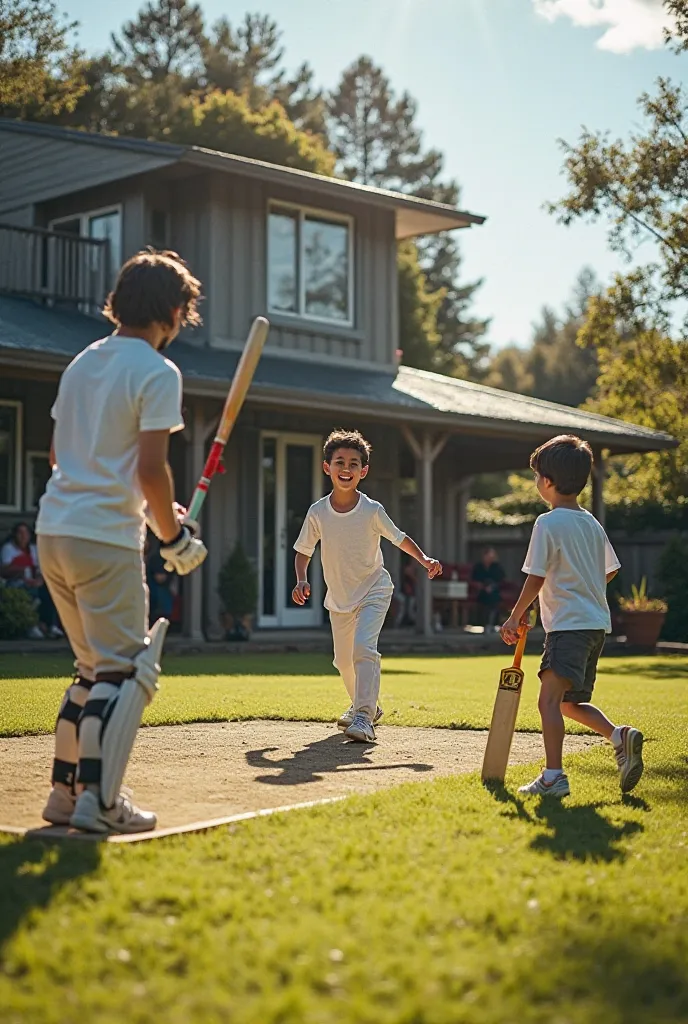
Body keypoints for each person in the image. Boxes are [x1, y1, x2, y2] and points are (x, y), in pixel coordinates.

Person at [36, 249, 208, 835]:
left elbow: (63, 456)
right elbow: (150, 470)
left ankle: (64, 795)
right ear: (170, 309)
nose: (184, 319)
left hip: (54, 529)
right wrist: (173, 535)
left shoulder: (83, 361)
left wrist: (160, 515)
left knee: (90, 670)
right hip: (104, 537)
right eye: (183, 308)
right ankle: (99, 802)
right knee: (121, 671)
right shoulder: (158, 371)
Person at [501, 434, 644, 798]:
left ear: (548, 481)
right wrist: (580, 584)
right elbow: (609, 571)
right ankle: (619, 736)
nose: (536, 483)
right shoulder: (591, 523)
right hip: (595, 625)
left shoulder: (547, 523)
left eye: (536, 477)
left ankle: (553, 777)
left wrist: (515, 616)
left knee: (547, 702)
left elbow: (536, 576)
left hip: (568, 627)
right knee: (568, 702)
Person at [292, 429, 442, 743]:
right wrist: (301, 579)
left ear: (364, 471)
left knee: (363, 649)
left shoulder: (372, 510)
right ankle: (367, 706)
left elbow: (399, 538)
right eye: (339, 462)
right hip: (340, 598)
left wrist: (425, 559)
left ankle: (363, 717)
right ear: (326, 467)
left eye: (353, 464)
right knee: (343, 661)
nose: (346, 469)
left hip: (375, 588)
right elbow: (303, 551)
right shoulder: (318, 512)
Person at [1, 521, 63, 639]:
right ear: (15, 535)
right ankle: (33, 625)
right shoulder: (8, 549)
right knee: (32, 593)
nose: (23, 536)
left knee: (51, 592)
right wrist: (22, 574)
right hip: (16, 583)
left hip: (34, 582)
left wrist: (39, 580)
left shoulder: (34, 549)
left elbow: (41, 569)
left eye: (26, 533)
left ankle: (52, 625)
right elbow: (5, 570)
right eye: (20, 533)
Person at [471, 547, 505, 629]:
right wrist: (483, 587)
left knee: (494, 597)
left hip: (494, 589)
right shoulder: (478, 567)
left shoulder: (496, 567)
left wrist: (492, 587)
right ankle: (483, 623)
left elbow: (500, 579)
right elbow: (474, 579)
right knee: (485, 597)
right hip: (481, 590)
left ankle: (492, 622)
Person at [145, 534, 175, 625]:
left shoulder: (163, 558)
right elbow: (160, 578)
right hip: (157, 598)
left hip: (161, 598)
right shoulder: (157, 558)